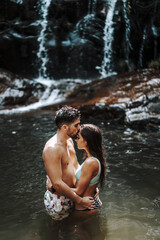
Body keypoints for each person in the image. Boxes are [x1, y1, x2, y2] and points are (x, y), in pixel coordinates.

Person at [43, 106, 95, 220]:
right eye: (76, 125)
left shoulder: (69, 141)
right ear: (65, 127)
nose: (79, 128)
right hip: (59, 200)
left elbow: (75, 166)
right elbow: (56, 184)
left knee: (73, 227)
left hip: (74, 194)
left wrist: (89, 186)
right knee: (57, 230)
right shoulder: (52, 149)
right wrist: (80, 200)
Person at [72, 124, 106, 211]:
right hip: (90, 206)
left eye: (78, 137)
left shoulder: (90, 162)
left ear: (86, 141)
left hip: (85, 208)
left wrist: (56, 187)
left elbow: (79, 191)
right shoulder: (94, 158)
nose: (76, 139)